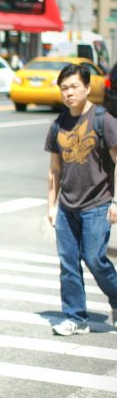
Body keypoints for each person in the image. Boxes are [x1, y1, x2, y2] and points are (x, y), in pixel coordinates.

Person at [45, 62, 117, 335]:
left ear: (87, 87)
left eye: (74, 86)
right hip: (67, 207)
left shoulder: (104, 120)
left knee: (95, 259)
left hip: (98, 204)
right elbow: (54, 170)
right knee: (68, 264)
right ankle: (75, 317)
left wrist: (116, 202)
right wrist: (51, 206)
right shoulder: (58, 125)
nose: (69, 93)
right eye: (64, 88)